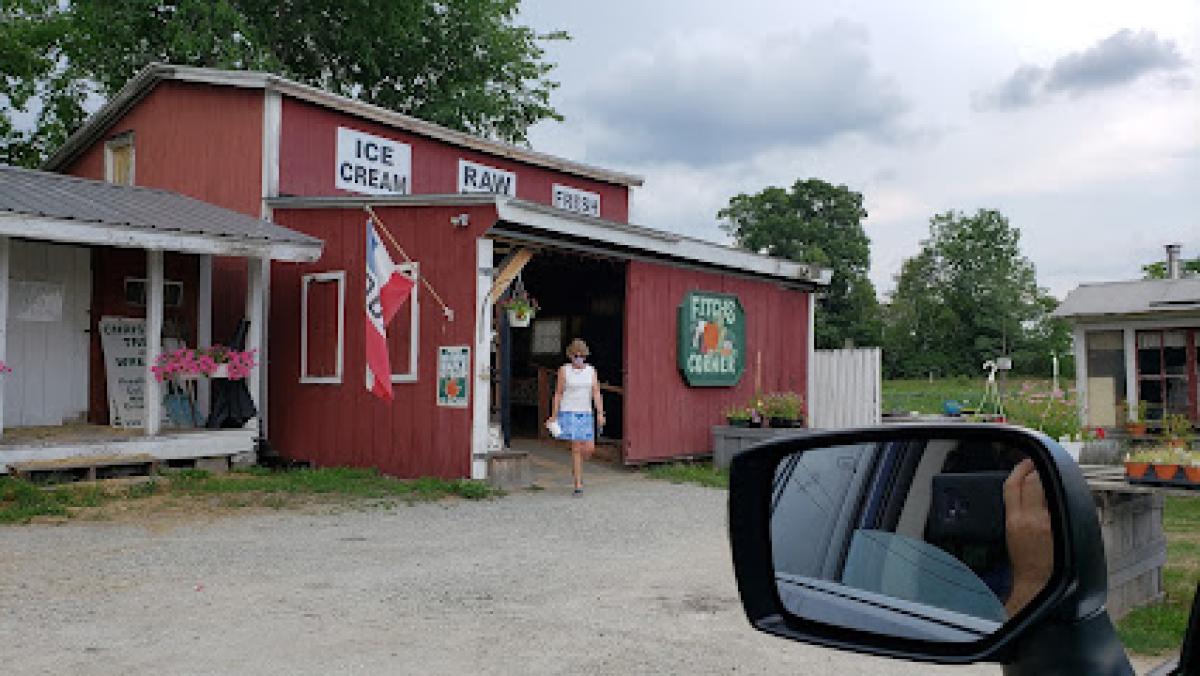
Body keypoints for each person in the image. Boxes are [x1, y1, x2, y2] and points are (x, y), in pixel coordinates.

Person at [548, 338, 606, 495]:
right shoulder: (564, 370)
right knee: (576, 448)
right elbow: (558, 393)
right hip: (569, 411)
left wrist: (600, 412)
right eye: (575, 355)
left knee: (589, 448)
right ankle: (578, 483)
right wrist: (554, 415)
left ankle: (578, 469)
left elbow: (596, 392)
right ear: (570, 356)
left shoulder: (591, 371)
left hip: (586, 412)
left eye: (582, 355)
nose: (579, 358)